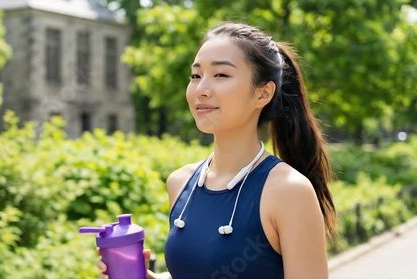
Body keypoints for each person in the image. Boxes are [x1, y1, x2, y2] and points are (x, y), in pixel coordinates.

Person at [97, 21, 336, 279]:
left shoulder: (289, 191)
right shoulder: (181, 184)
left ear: (263, 94)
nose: (201, 90)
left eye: (221, 75)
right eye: (196, 76)